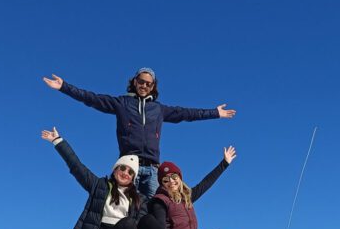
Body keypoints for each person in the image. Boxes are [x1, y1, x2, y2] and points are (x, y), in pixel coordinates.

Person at [42, 67, 236, 198]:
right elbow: (91, 98)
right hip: (129, 166)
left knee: (152, 211)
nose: (144, 86)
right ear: (135, 82)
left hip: (152, 168)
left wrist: (215, 113)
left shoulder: (159, 110)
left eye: (148, 83)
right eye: (141, 81)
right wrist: (64, 87)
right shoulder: (121, 104)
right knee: (124, 206)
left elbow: (187, 113)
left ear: (153, 87)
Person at [41, 127, 188, 229]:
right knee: (128, 223)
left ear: (133, 178)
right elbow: (76, 166)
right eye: (122, 168)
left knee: (148, 219)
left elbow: (149, 225)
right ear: (115, 169)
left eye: (130, 172)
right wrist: (58, 141)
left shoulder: (139, 199)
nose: (125, 173)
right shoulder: (99, 186)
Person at [149, 150, 235, 229]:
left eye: (174, 177)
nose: (171, 181)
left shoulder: (187, 198)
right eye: (165, 180)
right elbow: (159, 227)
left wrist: (224, 163)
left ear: (179, 177)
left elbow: (205, 184)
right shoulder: (160, 200)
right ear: (162, 183)